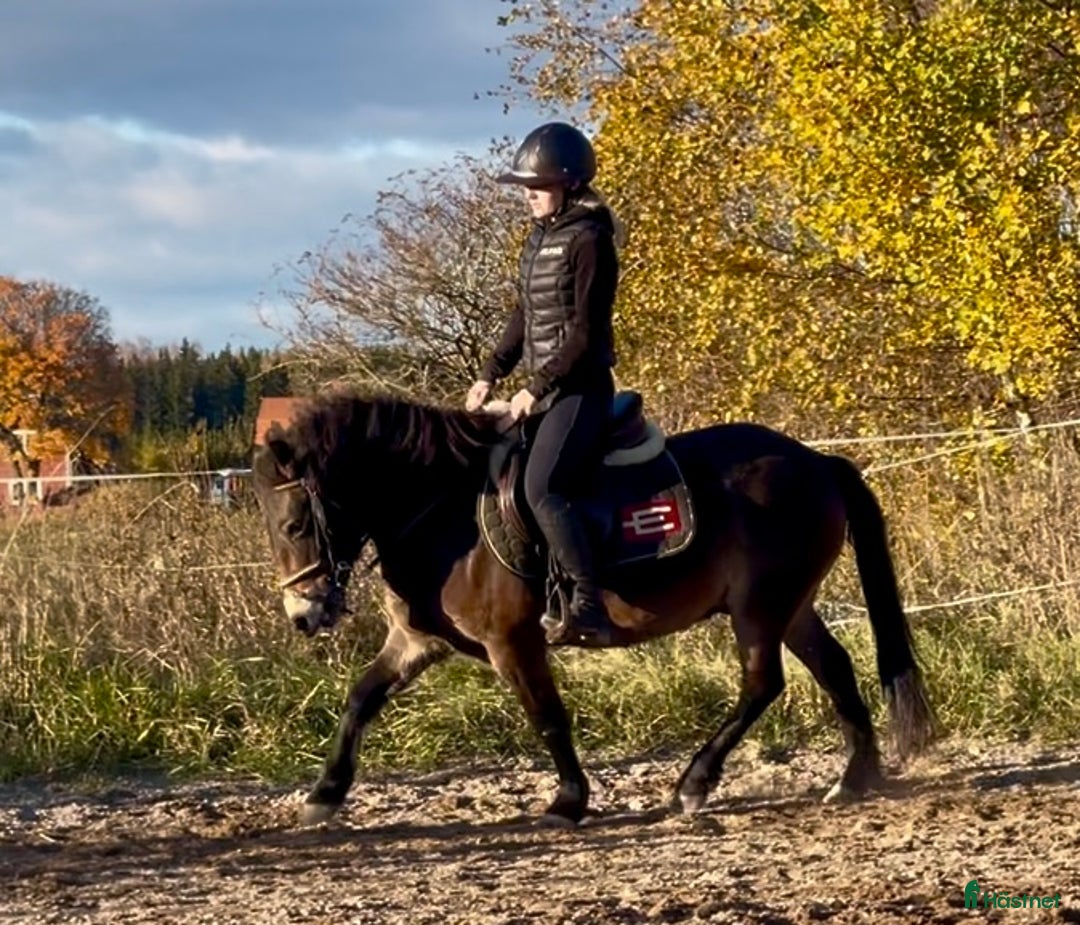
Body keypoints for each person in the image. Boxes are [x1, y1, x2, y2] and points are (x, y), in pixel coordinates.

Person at [465, 121, 620, 646]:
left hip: (579, 390)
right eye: (525, 188)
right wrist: (491, 372)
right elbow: (524, 314)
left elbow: (584, 332)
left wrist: (534, 388)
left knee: (542, 487)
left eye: (537, 186)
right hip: (543, 387)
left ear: (570, 184)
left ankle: (589, 604)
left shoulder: (590, 240)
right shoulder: (539, 238)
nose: (528, 196)